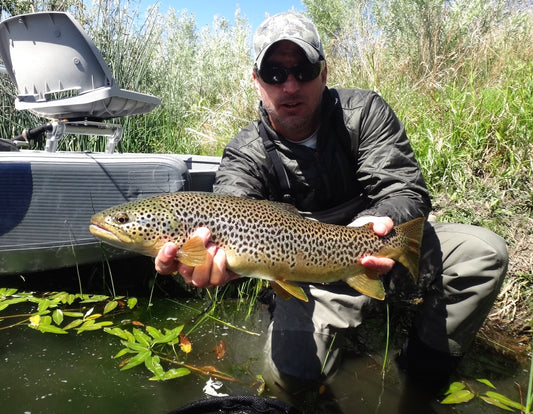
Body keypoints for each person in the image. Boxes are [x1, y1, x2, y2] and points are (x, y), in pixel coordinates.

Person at [155, 11, 508, 412]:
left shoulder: (364, 112)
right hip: (307, 279)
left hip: (378, 243)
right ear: (257, 81)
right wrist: (211, 264)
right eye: (274, 73)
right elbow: (229, 207)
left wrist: (381, 220)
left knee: (484, 253)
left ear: (323, 73)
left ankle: (422, 374)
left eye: (303, 69)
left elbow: (404, 188)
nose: (290, 84)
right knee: (290, 377)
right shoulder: (244, 153)